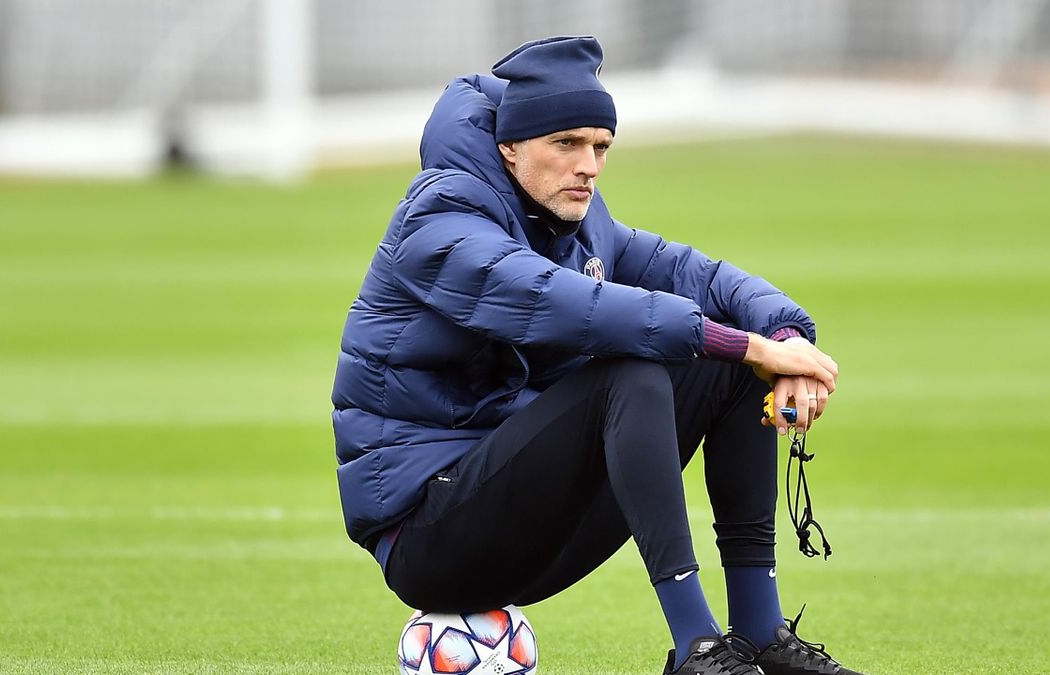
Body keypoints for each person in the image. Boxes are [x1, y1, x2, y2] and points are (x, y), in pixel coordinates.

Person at [332, 36, 862, 675]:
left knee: (732, 365)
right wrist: (743, 342)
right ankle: (696, 649)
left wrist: (784, 338)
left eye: (601, 146)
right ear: (509, 147)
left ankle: (759, 633)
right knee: (634, 368)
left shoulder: (578, 221)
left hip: (526, 523)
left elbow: (699, 276)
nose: (588, 165)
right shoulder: (438, 219)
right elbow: (560, 302)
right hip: (429, 539)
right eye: (566, 143)